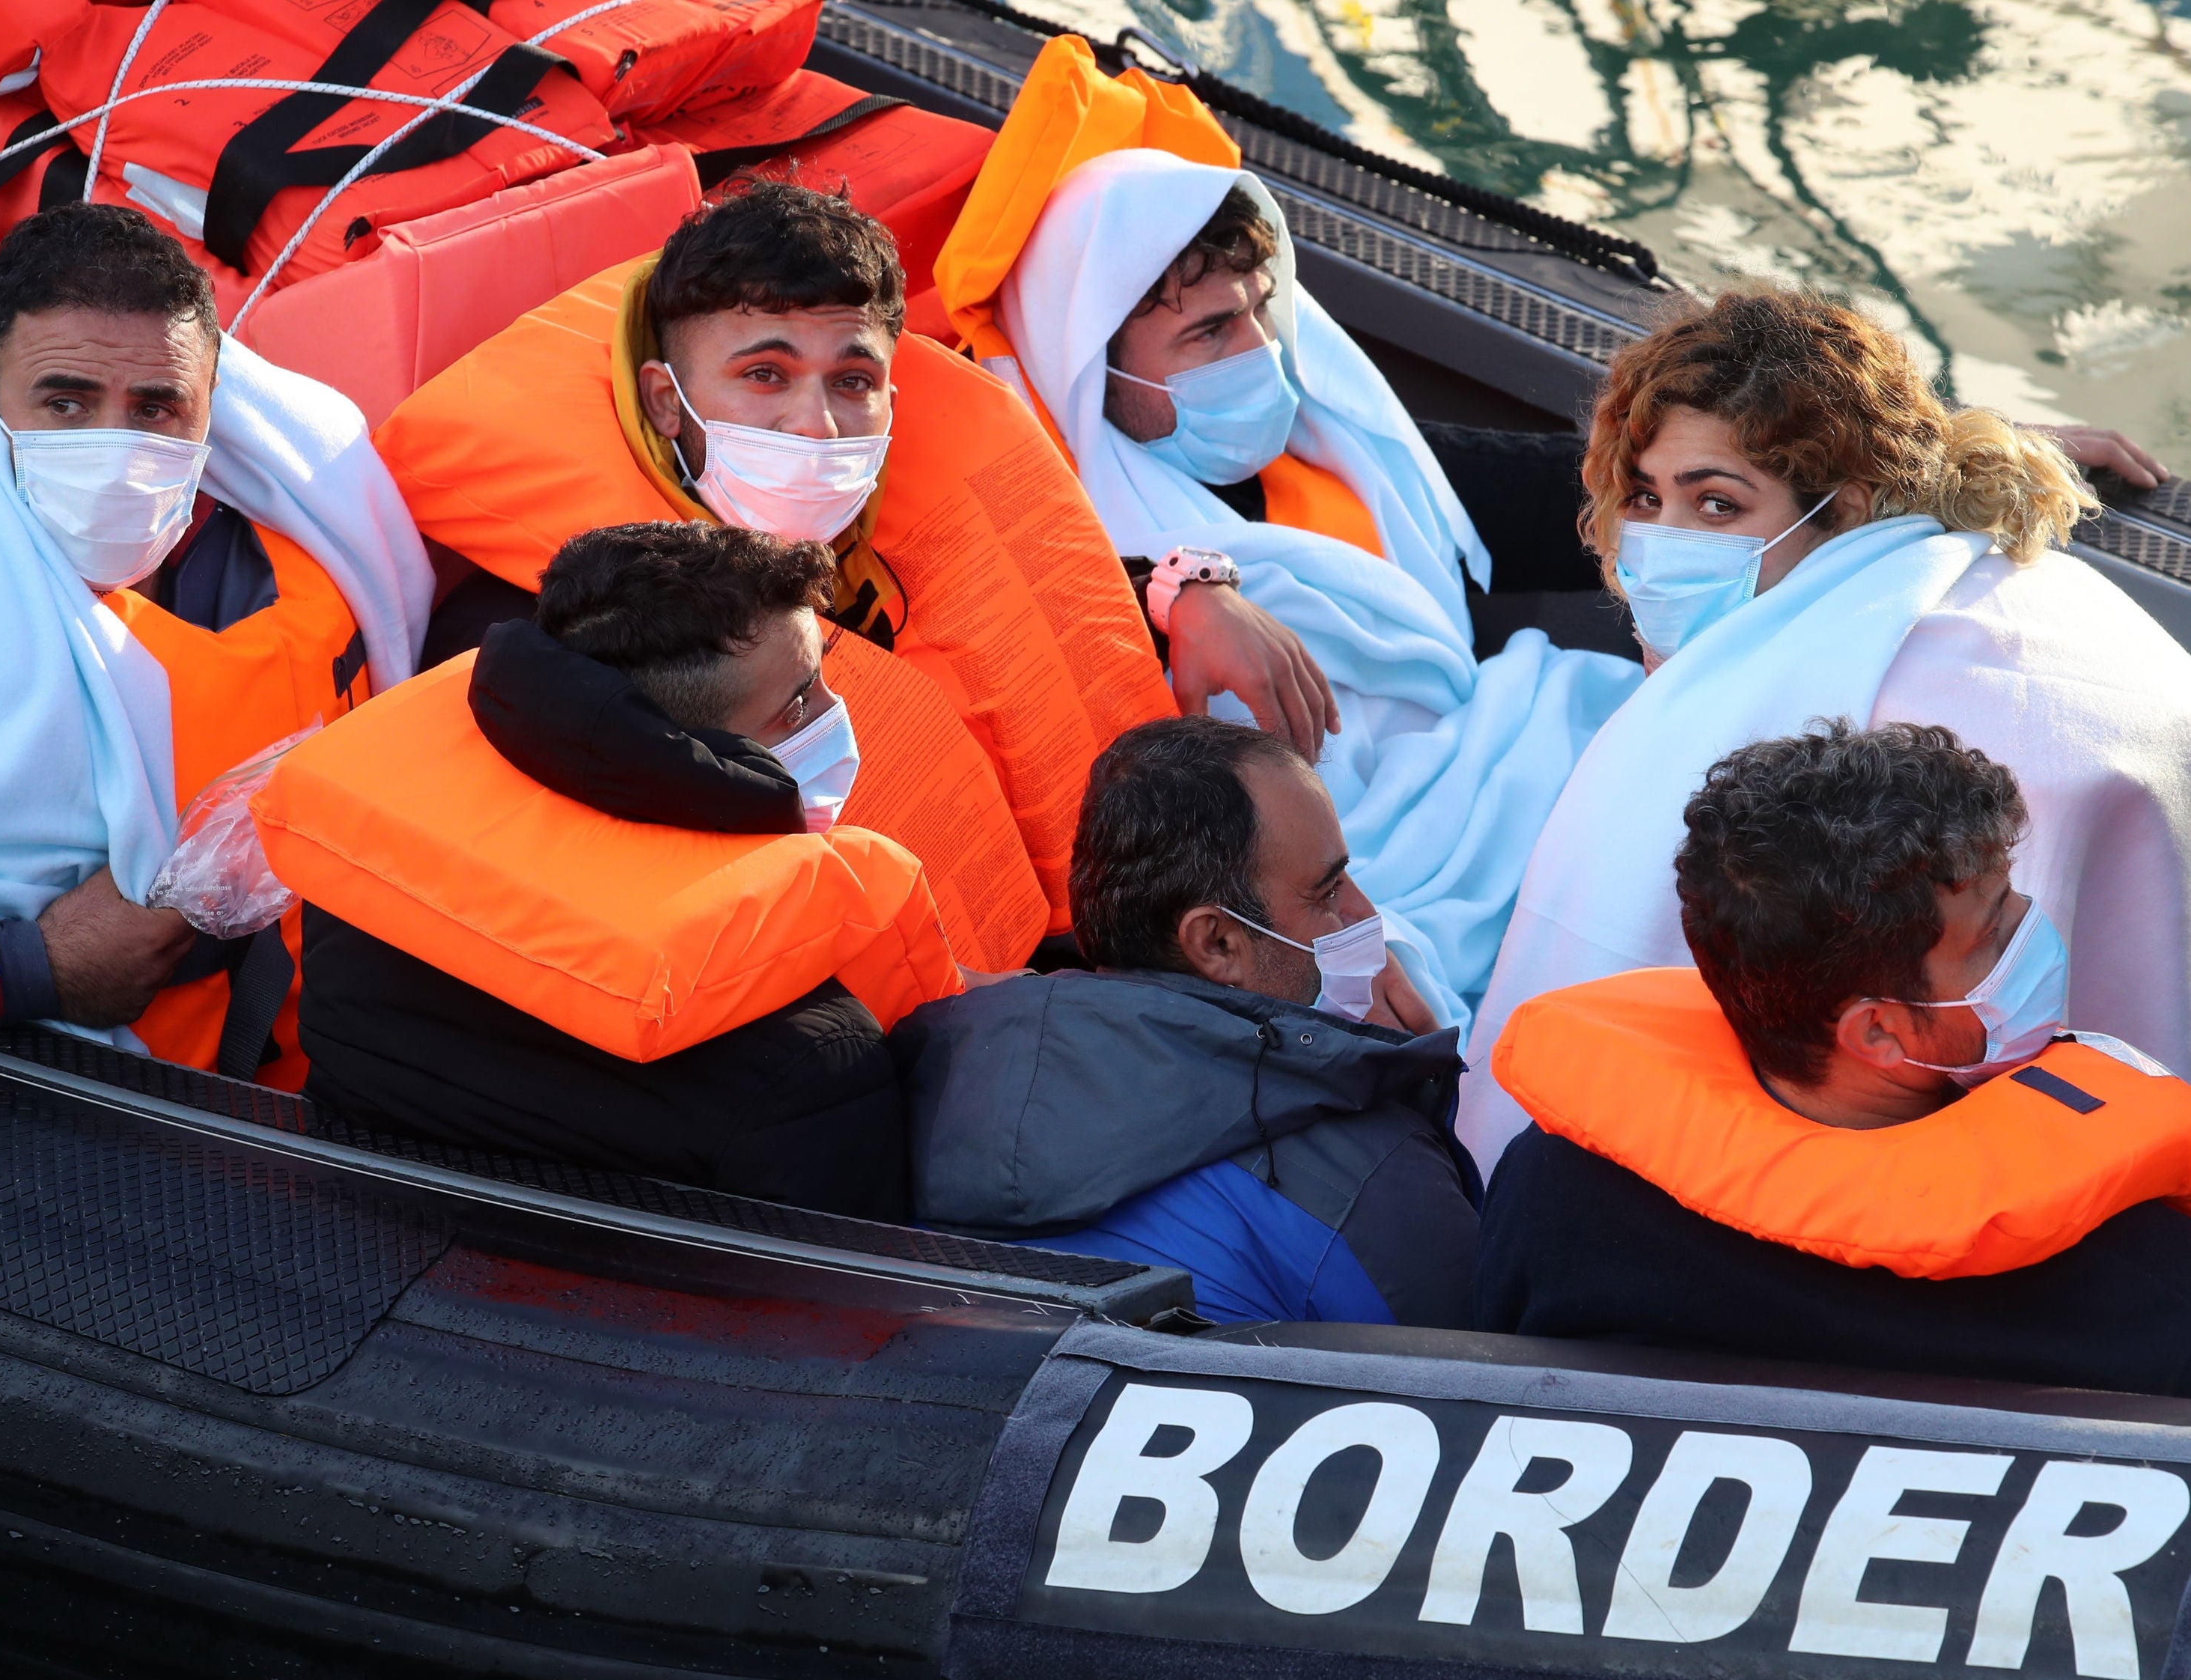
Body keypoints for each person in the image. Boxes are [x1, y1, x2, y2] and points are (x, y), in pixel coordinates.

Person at [932, 40, 1646, 1029]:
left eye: (1263, 311)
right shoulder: (1070, 522)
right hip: (1352, 877)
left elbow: (1576, 498)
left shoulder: (1348, 449)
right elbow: (1063, 600)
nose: (1259, 355)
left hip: (1508, 766)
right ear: (1096, 367)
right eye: (1210, 334)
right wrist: (1188, 586)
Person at [375, 179, 1242, 978]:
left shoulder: (881, 529)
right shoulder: (571, 638)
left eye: (853, 381)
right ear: (665, 400)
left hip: (1094, 945)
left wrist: (1186, 590)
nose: (817, 425)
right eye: (764, 374)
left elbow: (1023, 630)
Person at [1460, 287, 2191, 1172]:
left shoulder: (1820, 702)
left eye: (1717, 505)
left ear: (1844, 507)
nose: (1662, 540)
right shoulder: (2002, 584)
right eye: (1644, 499)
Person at [0, 203, 433, 1083]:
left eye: (157, 408)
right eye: (64, 402)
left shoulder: (316, 532)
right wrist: (28, 967)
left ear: (215, 408)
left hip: (291, 1080)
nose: (113, 445)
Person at [271, 522, 963, 1220]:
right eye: (798, 703)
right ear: (694, 750)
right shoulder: (812, 1060)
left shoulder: (363, 891)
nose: (834, 713)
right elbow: (842, 1307)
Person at [1476, 722, 2191, 1396]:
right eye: (1995, 935)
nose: (2033, 935)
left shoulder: (1555, 1191)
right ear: (1878, 1033)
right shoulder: (2129, 1269)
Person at [896, 715, 1478, 1328]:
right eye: (1327, 892)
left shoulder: (937, 1072)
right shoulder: (1376, 1178)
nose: (1363, 917)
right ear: (1217, 942)